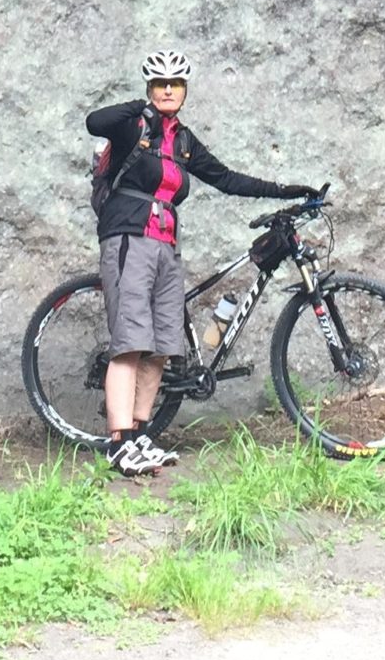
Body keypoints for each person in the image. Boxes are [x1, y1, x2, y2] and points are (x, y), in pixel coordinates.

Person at [86, 49, 319, 476]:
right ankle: (119, 443)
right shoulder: (133, 126)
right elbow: (94, 123)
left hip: (166, 244)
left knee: (161, 346)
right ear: (150, 88)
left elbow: (229, 179)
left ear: (186, 90)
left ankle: (141, 437)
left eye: (175, 84)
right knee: (131, 342)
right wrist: (139, 108)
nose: (168, 90)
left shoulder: (184, 141)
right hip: (129, 236)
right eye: (160, 84)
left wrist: (288, 191)